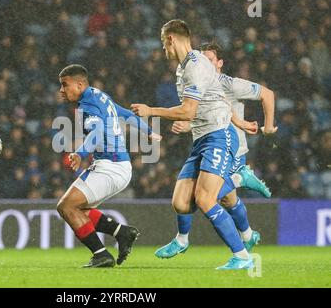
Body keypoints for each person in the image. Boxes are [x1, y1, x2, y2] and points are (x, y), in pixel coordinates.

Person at [131, 20, 253, 270]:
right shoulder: (185, 67)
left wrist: (151, 111)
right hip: (202, 138)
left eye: (163, 43)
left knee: (206, 199)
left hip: (218, 135)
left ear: (171, 40)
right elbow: (203, 106)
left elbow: (188, 111)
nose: (163, 49)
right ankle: (183, 240)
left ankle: (241, 255)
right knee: (181, 203)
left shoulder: (195, 67)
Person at [154, 42, 277, 259]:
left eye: (210, 59)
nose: (205, 62)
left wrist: (267, 127)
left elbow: (267, 94)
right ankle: (248, 236)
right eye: (203, 58)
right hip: (209, 142)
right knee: (227, 200)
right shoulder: (197, 78)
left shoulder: (230, 84)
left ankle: (184, 239)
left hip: (229, 147)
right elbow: (209, 112)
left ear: (220, 63)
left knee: (203, 198)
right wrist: (189, 124)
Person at [57, 64, 161, 268]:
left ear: (79, 84)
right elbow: (125, 114)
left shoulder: (88, 105)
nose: (61, 90)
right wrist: (148, 130)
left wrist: (80, 153)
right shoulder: (99, 96)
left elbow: (95, 133)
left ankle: (101, 255)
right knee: (79, 210)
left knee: (67, 206)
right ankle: (122, 232)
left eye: (64, 85)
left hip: (110, 167)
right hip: (119, 166)